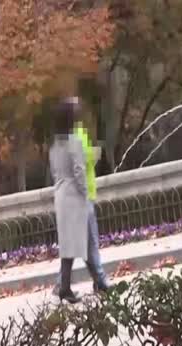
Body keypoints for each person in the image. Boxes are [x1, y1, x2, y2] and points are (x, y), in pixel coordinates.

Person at [49, 98, 88, 303]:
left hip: (60, 194)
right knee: (73, 242)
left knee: (68, 244)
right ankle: (66, 287)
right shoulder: (74, 141)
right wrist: (85, 192)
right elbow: (79, 170)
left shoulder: (55, 144)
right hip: (72, 194)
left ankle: (65, 287)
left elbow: (55, 171)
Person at [73, 103, 111, 293]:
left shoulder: (76, 133)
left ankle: (98, 280)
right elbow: (78, 167)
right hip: (83, 195)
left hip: (83, 194)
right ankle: (100, 280)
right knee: (90, 242)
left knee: (86, 243)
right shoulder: (75, 135)